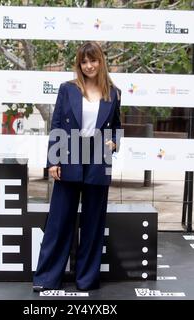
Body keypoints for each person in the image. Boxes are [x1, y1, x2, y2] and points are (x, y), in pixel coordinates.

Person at [33, 41, 122, 292]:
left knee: (93, 224)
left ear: (101, 61)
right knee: (59, 222)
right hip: (70, 153)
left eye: (93, 60)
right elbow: (58, 124)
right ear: (79, 64)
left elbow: (116, 125)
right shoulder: (67, 89)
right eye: (84, 62)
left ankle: (86, 280)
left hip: (99, 157)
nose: (89, 66)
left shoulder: (114, 93)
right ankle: (46, 279)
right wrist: (53, 160)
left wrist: (114, 143)